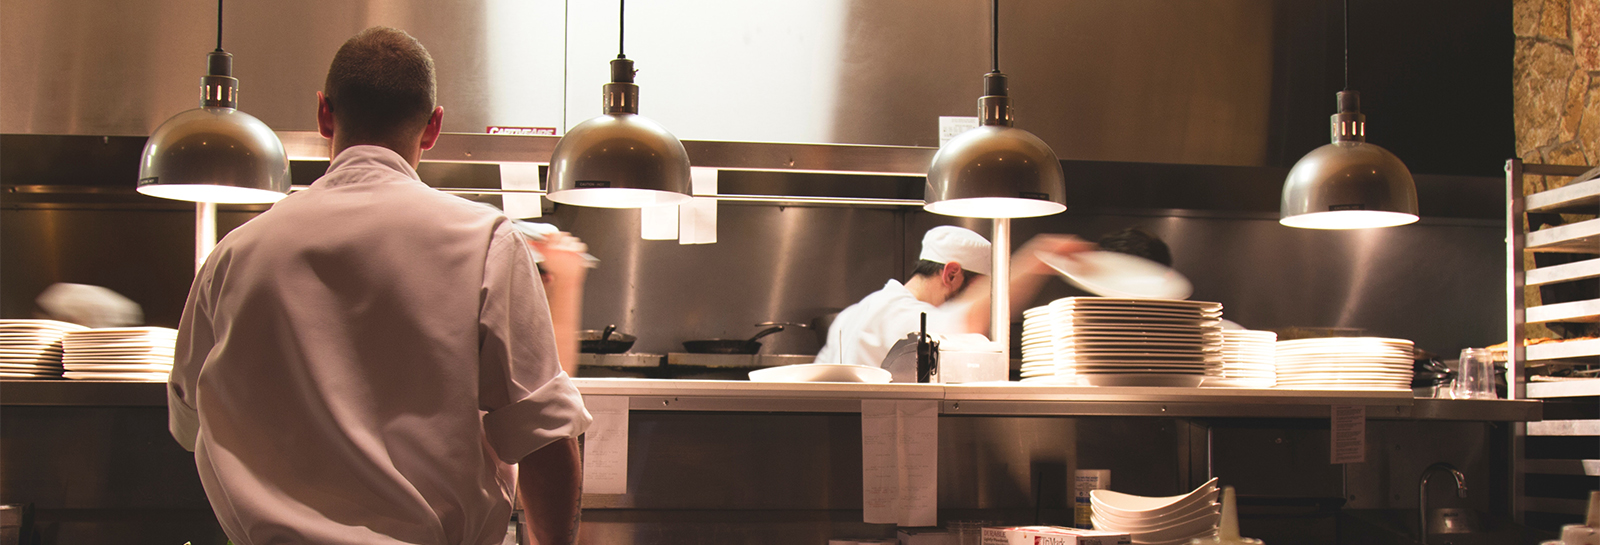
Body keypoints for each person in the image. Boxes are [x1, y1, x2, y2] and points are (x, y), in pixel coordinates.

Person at [166, 27, 591, 545]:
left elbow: (191, 426)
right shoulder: (487, 242)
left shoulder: (234, 254)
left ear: (324, 113)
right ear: (433, 126)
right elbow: (543, 437)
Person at [816, 226, 1090, 368]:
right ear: (951, 274)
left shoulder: (852, 314)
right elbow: (966, 320)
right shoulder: (900, 314)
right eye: (978, 291)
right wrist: (1041, 257)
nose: (978, 300)